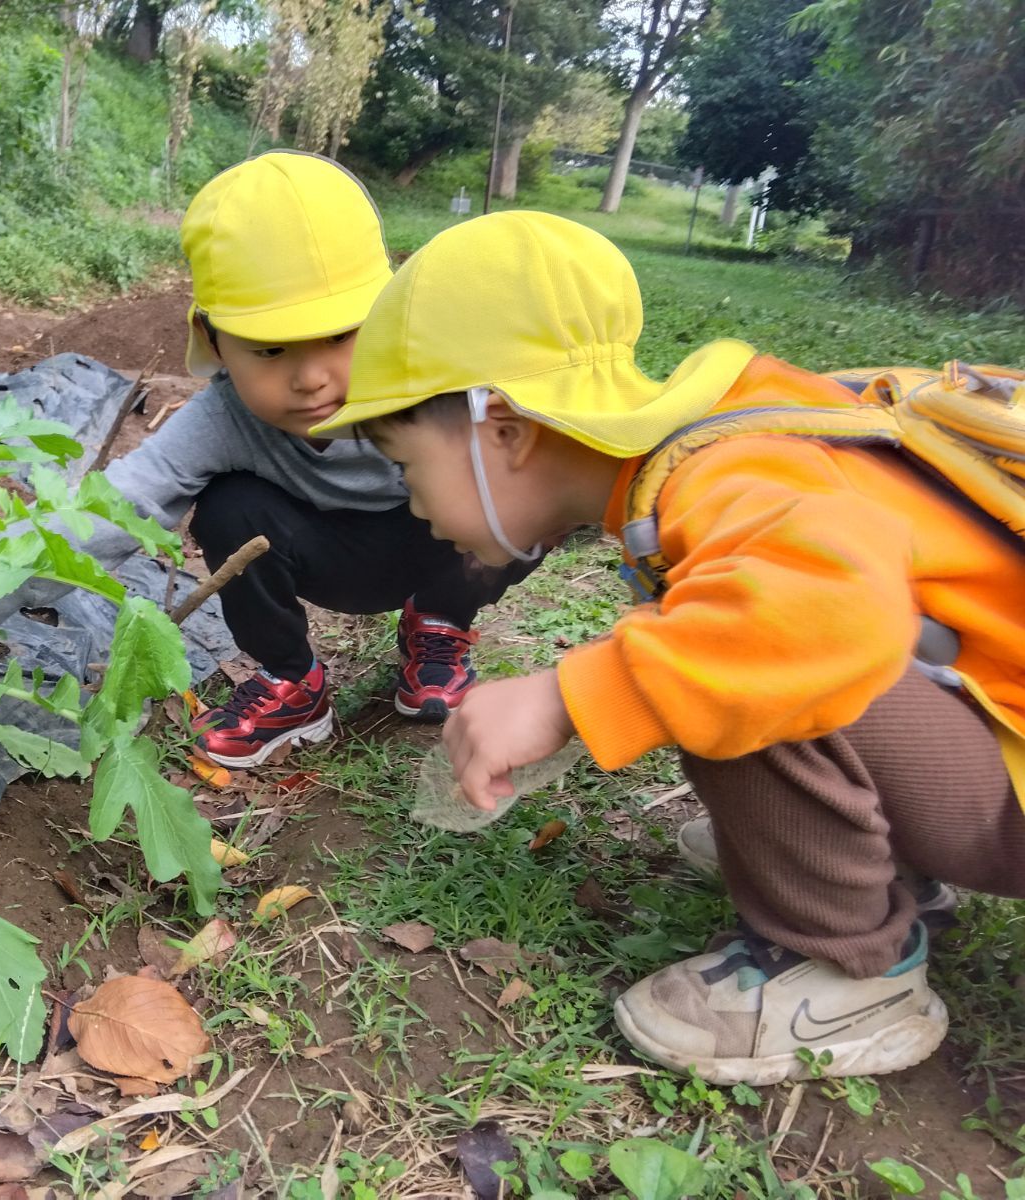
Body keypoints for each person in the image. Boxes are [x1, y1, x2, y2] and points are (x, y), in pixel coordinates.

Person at [309, 210, 1025, 1085]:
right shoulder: (713, 450)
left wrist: (567, 696)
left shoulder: (726, 471)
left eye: (405, 464)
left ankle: (850, 968)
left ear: (502, 427)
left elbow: (829, 624)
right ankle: (851, 856)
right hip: (993, 739)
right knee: (702, 637)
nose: (411, 500)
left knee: (734, 644)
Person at [0, 152, 539, 766]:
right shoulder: (223, 419)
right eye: (270, 349)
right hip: (332, 561)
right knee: (229, 506)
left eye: (342, 335)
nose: (313, 376)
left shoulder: (446, 383)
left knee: (516, 479)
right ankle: (295, 680)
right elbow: (104, 514)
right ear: (213, 341)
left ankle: (441, 623)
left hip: (448, 550)